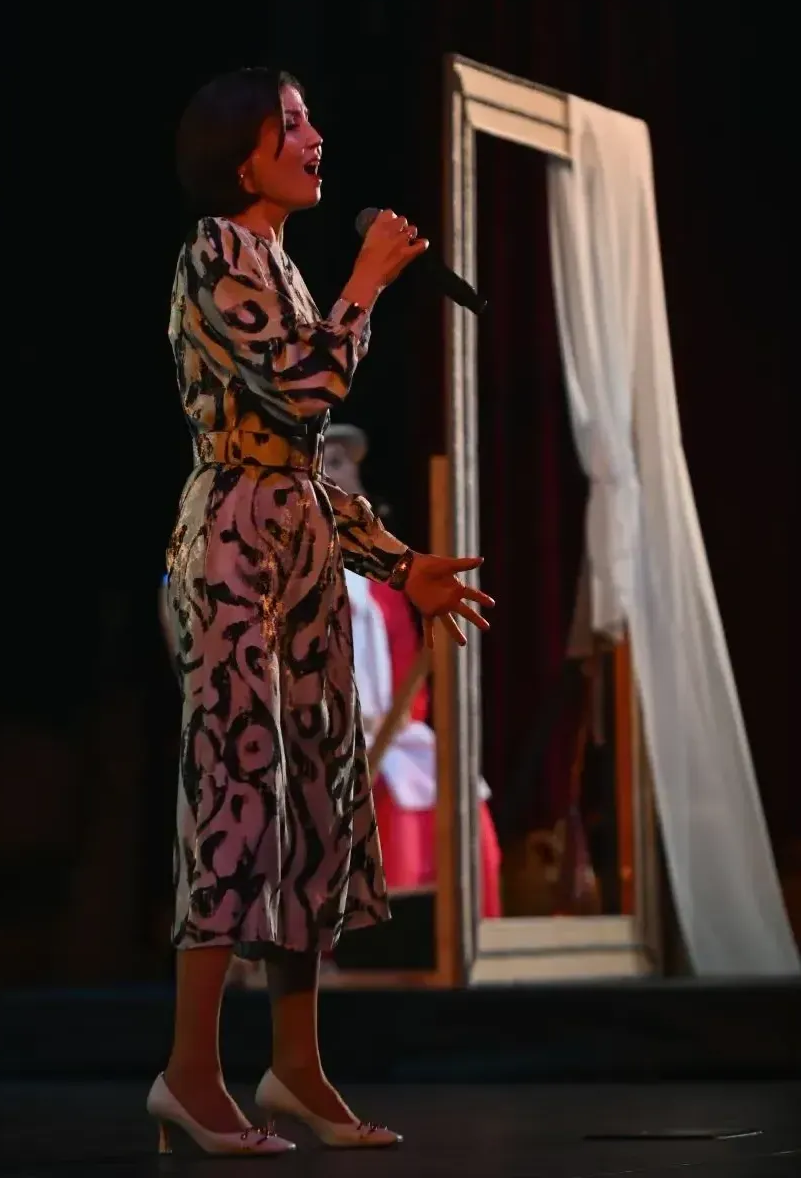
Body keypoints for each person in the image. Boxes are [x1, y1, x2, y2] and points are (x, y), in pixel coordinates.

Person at [150, 67, 494, 1156]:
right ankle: (189, 1073)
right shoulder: (214, 253)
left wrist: (400, 564)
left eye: (307, 120)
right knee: (237, 794)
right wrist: (370, 281)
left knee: (318, 803)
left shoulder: (285, 269)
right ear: (241, 156)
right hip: (231, 557)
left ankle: (295, 1068)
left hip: (297, 548)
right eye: (289, 123)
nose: (314, 137)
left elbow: (297, 464)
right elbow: (302, 393)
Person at [324, 424, 503, 912]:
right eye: (329, 465)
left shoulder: (381, 583)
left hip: (387, 731)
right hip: (325, 739)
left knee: (457, 795)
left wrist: (404, 715)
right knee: (390, 815)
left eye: (346, 466)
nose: (343, 479)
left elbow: (406, 657)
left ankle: (467, 928)